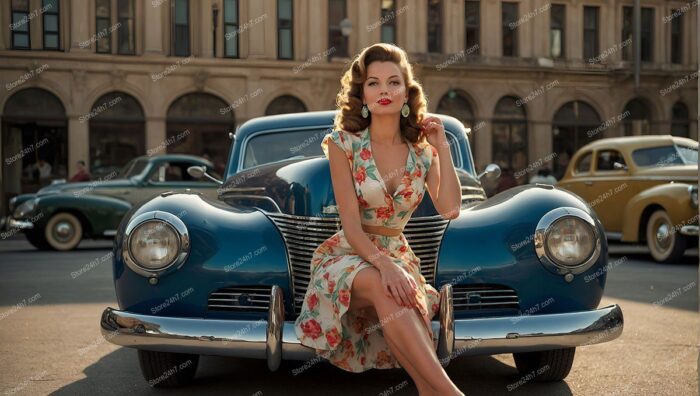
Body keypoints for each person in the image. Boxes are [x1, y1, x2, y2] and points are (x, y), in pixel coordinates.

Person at [294, 43, 464, 396]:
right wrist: (385, 265)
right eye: (373, 83)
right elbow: (352, 227)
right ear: (362, 94)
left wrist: (442, 146)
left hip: (398, 255)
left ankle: (430, 390)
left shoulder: (422, 152)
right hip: (348, 254)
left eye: (393, 82)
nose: (383, 91)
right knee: (381, 280)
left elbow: (450, 209)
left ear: (406, 92)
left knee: (392, 290)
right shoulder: (344, 144)